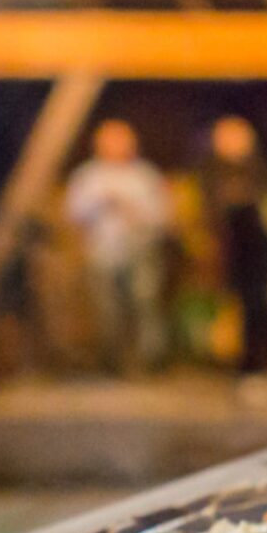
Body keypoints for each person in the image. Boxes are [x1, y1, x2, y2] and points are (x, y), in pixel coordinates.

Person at [66, 120, 171, 372]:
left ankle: (149, 360)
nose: (115, 147)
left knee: (144, 302)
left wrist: (130, 208)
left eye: (121, 141)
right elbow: (73, 214)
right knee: (107, 307)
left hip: (141, 249)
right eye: (109, 141)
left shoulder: (144, 175)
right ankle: (113, 360)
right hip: (102, 251)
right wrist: (100, 202)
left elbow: (162, 216)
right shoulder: (88, 176)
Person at [201, 116, 267, 372]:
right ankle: (232, 358)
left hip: (257, 248)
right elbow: (209, 208)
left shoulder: (260, 168)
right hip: (227, 247)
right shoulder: (210, 171)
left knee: (259, 304)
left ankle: (260, 358)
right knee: (230, 306)